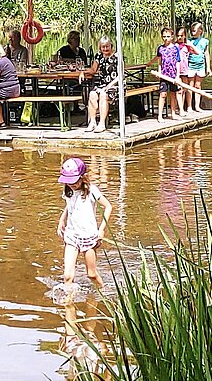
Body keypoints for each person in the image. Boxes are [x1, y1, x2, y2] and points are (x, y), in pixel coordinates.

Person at [57, 157, 112, 288]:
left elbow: (108, 206)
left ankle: (103, 291)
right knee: (67, 276)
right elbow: (69, 205)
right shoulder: (69, 191)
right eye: (68, 181)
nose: (72, 184)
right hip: (72, 235)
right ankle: (68, 300)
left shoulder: (92, 191)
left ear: (83, 177)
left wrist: (101, 229)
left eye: (74, 181)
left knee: (91, 274)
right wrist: (62, 219)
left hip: (88, 236)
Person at [81, 36, 123, 133]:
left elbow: (121, 75)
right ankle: (92, 122)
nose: (105, 49)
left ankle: (102, 123)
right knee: (92, 94)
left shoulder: (117, 57)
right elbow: (93, 70)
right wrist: (83, 72)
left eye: (107, 46)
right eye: (103, 47)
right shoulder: (99, 56)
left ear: (111, 46)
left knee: (103, 95)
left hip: (115, 85)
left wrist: (109, 86)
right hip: (102, 85)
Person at [147, 27, 182, 122]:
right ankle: (160, 116)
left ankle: (173, 113)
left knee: (173, 94)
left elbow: (178, 62)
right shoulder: (160, 48)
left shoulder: (175, 48)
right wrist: (159, 72)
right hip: (164, 75)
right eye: (164, 36)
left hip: (173, 75)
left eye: (168, 36)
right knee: (163, 94)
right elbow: (160, 61)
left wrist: (177, 76)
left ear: (172, 37)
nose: (166, 38)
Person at [176, 26, 201, 115]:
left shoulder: (186, 46)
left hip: (185, 71)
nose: (179, 37)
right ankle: (180, 109)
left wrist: (191, 45)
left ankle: (183, 107)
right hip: (177, 71)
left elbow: (197, 52)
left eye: (181, 35)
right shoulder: (174, 46)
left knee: (184, 89)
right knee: (179, 90)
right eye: (178, 35)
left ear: (185, 36)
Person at [187, 22, 212, 112]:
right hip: (190, 65)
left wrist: (208, 68)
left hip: (201, 66)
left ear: (200, 31)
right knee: (190, 86)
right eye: (191, 31)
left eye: (194, 31)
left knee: (198, 85)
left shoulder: (205, 41)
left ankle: (197, 106)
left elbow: (206, 54)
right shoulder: (189, 41)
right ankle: (189, 106)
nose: (192, 33)